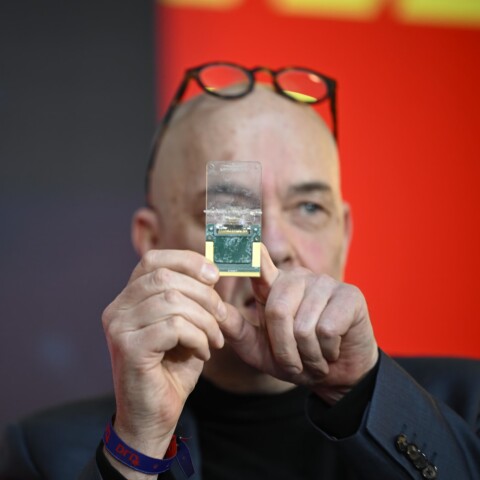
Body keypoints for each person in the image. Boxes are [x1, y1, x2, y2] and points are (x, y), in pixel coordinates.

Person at [1, 63, 479, 480]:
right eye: (229, 212)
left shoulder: (467, 405)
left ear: (344, 234)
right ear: (153, 241)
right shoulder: (43, 450)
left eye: (309, 207)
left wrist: (360, 391)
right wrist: (136, 448)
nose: (271, 245)